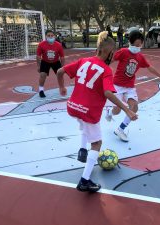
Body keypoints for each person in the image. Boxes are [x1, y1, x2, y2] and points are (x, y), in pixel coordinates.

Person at [56, 31, 138, 192]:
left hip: (72, 106)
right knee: (97, 143)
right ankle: (84, 180)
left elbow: (60, 72)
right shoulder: (106, 70)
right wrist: (127, 110)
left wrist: (62, 87)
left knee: (84, 126)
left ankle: (81, 150)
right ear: (110, 52)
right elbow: (108, 93)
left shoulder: (83, 61)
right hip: (88, 111)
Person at [105, 30, 160, 142]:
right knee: (117, 110)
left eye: (139, 45)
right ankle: (109, 112)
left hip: (129, 87)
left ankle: (120, 129)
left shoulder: (140, 57)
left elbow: (150, 68)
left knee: (134, 107)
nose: (137, 47)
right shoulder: (123, 52)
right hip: (117, 85)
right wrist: (101, 70)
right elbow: (111, 60)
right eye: (134, 45)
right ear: (130, 42)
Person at [36, 30, 65, 98]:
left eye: (52, 35)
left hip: (56, 61)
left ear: (54, 36)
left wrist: (63, 67)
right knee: (42, 75)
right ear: (46, 36)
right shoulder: (41, 44)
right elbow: (38, 56)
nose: (50, 37)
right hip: (45, 61)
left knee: (60, 74)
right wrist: (38, 66)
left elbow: (62, 57)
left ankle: (62, 88)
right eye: (48, 36)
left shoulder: (58, 45)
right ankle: (41, 90)